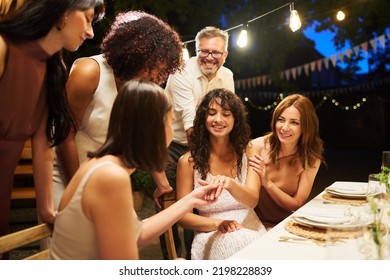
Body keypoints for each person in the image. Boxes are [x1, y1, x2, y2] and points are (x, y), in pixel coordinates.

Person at [49, 79, 222, 260]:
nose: (171, 131)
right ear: (154, 128)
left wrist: (192, 199)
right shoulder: (111, 176)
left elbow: (136, 234)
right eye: (170, 122)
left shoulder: (103, 166)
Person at [0, 0, 105, 250]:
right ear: (63, 10)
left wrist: (47, 208)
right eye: (88, 19)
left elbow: (43, 142)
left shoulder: (53, 67)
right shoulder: (4, 46)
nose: (91, 33)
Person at [52, 11, 183, 209]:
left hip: (106, 179)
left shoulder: (143, 87)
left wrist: (163, 185)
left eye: (164, 71)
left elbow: (145, 140)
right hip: (67, 175)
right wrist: (78, 190)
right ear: (137, 54)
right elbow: (64, 135)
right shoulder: (90, 72)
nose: (159, 77)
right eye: (156, 67)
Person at [159, 26, 235, 259]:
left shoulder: (228, 75)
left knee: (200, 204)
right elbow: (191, 125)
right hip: (174, 144)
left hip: (209, 144)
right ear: (196, 50)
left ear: (225, 55)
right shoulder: (181, 72)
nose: (210, 57)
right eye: (205, 51)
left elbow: (228, 116)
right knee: (171, 205)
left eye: (216, 52)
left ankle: (196, 258)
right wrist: (208, 162)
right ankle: (173, 260)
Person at [176, 88, 267, 260]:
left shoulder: (248, 152)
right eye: (211, 113)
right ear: (204, 118)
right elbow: (184, 217)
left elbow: (252, 200)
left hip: (250, 228)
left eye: (226, 114)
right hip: (210, 233)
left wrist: (231, 184)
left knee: (250, 244)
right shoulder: (188, 162)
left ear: (235, 120)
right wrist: (219, 224)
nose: (218, 119)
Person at [248, 94, 325, 229]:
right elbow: (248, 197)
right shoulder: (256, 147)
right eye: (281, 120)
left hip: (286, 224)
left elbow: (296, 204)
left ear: (306, 126)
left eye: (294, 122)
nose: (284, 128)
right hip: (253, 223)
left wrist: (267, 183)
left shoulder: (311, 159)